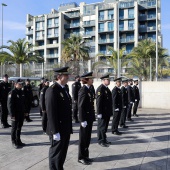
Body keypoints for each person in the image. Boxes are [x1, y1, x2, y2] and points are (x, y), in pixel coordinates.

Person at [45, 67, 72, 170]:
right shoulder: (52, 90)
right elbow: (51, 113)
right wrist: (55, 131)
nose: (68, 77)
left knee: (62, 153)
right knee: (55, 153)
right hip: (57, 129)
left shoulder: (63, 89)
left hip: (64, 128)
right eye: (66, 75)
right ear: (59, 77)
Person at [78, 72, 95, 165]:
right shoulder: (83, 90)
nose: (92, 80)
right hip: (85, 119)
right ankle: (81, 157)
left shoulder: (89, 89)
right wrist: (82, 120)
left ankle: (86, 155)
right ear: (86, 80)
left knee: (87, 138)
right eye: (91, 78)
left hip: (89, 118)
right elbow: (80, 106)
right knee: (83, 139)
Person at [7, 79, 25, 149]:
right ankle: (13, 141)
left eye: (21, 84)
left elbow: (24, 103)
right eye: (19, 84)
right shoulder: (12, 92)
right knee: (14, 128)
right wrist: (12, 115)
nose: (21, 85)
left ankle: (18, 140)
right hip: (15, 114)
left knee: (19, 127)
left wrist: (25, 112)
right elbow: (10, 105)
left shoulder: (22, 92)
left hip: (21, 113)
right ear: (15, 84)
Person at [96, 73, 112, 147]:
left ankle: (104, 139)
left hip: (107, 112)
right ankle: (101, 140)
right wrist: (99, 112)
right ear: (103, 80)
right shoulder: (100, 89)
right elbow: (98, 102)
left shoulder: (106, 89)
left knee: (105, 127)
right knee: (101, 127)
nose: (109, 81)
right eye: (107, 80)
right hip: (102, 112)